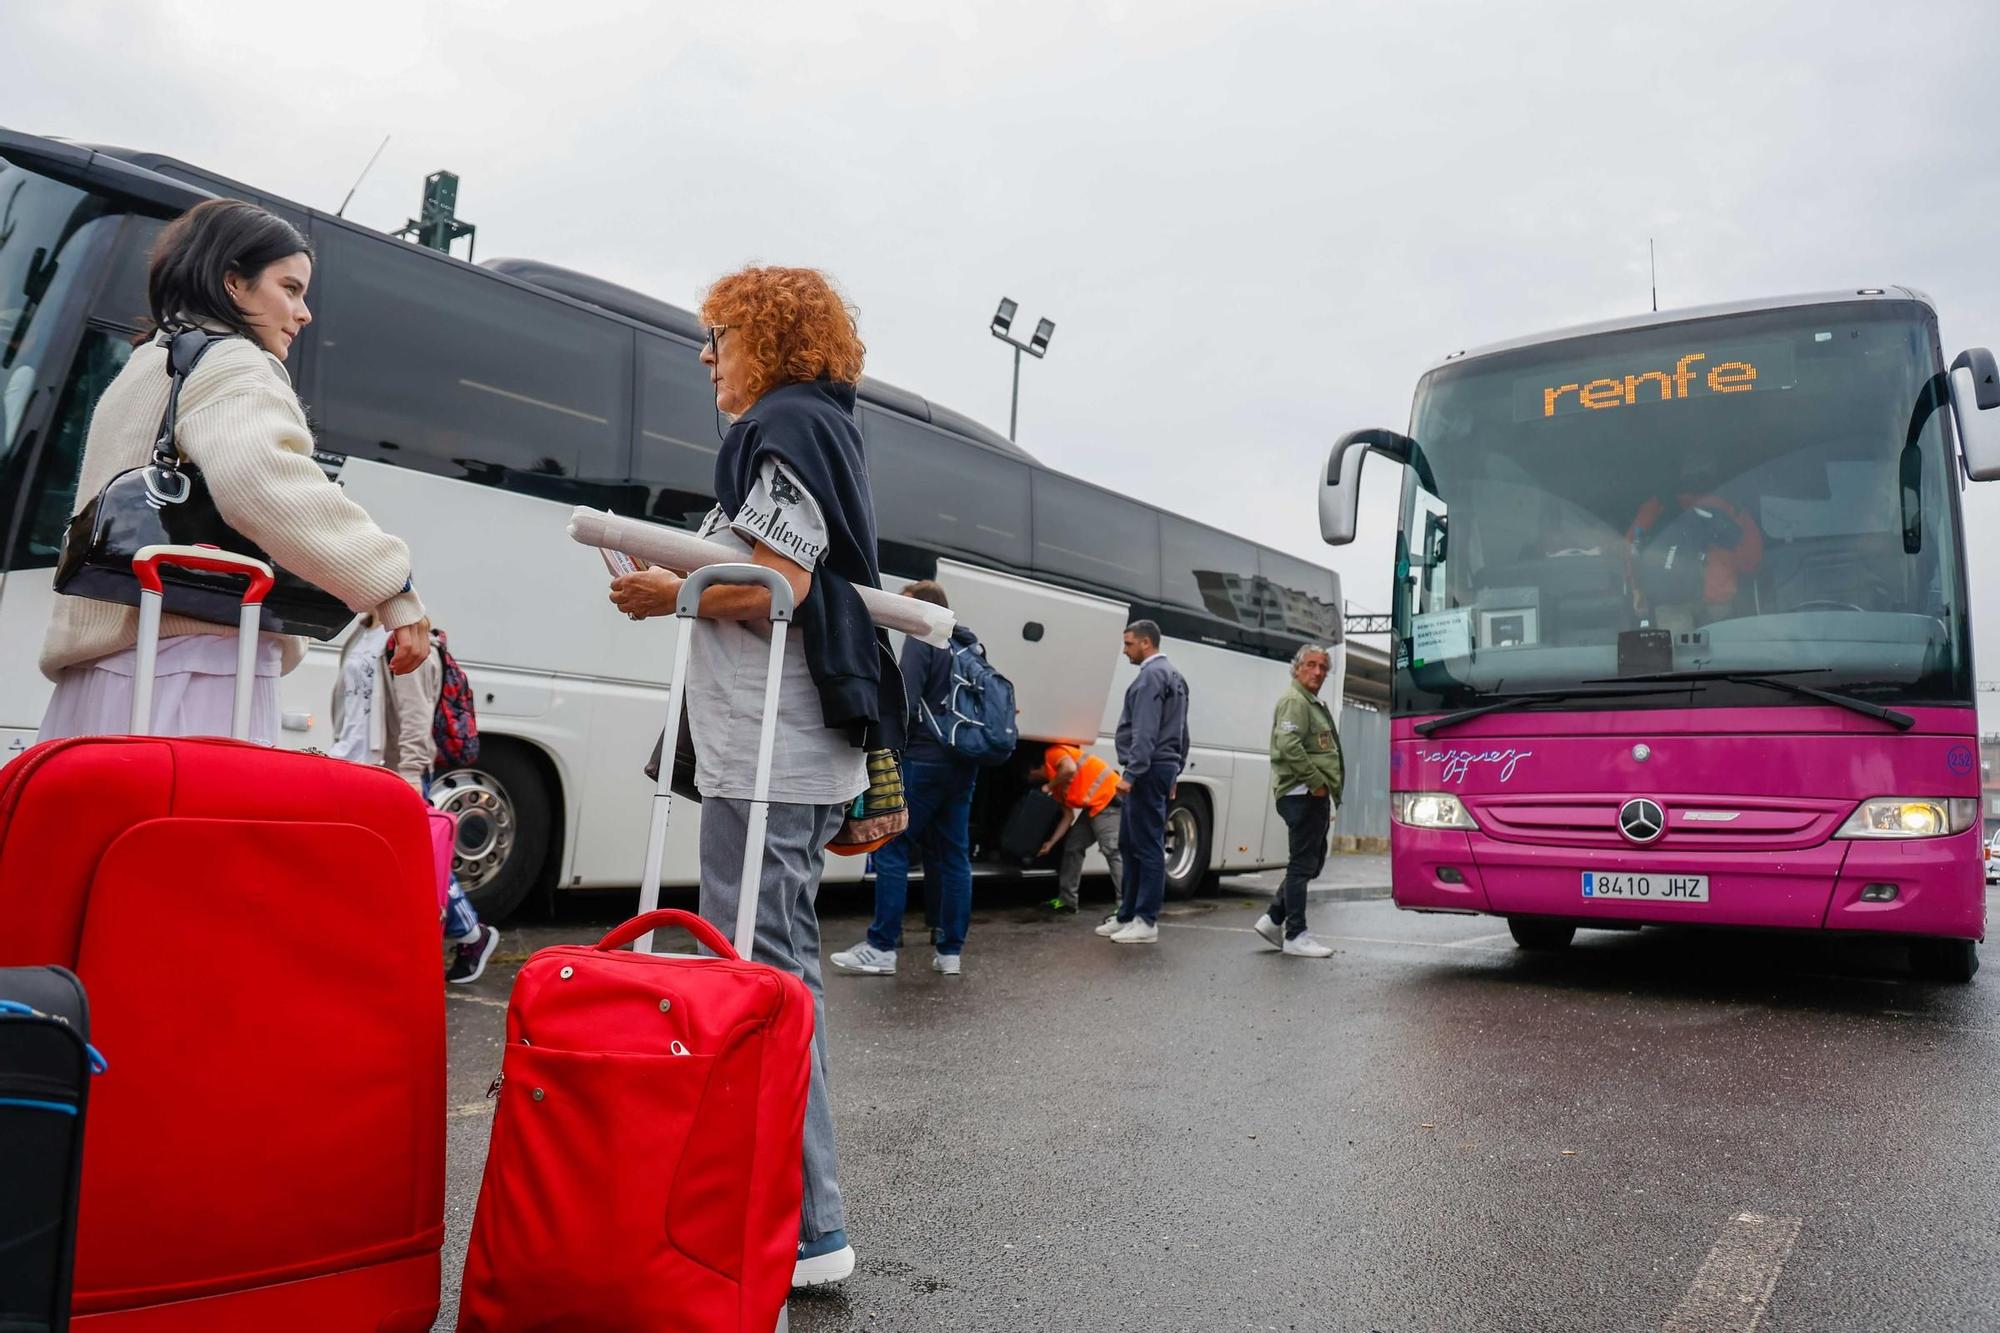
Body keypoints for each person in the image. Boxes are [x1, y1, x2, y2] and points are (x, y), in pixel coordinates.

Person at [607, 266, 902, 1290]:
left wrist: (671, 589)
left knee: (763, 977)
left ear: (766, 338)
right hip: (780, 743)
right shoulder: (813, 422)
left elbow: (779, 580)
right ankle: (776, 1210)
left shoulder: (782, 422)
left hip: (772, 744)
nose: (704, 353)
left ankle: (809, 1228)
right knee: (764, 969)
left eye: (718, 332)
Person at [38, 198, 430, 743]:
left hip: (103, 673)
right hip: (191, 669)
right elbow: (264, 485)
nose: (304, 313)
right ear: (233, 284)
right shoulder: (231, 361)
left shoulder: (149, 363)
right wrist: (391, 587)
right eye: (289, 288)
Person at [329, 616, 500, 983]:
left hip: (392, 772)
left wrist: (408, 780)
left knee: (420, 862)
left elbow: (415, 718)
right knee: (374, 863)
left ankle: (472, 934)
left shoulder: (407, 637)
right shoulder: (360, 631)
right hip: (351, 765)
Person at [831, 581, 979, 977]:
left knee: (891, 848)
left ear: (922, 608)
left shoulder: (922, 638)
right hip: (963, 763)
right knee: (953, 856)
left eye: (904, 604)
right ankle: (950, 953)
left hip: (924, 760)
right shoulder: (968, 645)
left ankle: (882, 946)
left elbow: (906, 701)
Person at [1096, 620, 1190, 944]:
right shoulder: (1175, 676)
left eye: (1129, 644)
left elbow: (1145, 731)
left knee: (1146, 846)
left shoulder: (1151, 677)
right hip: (1161, 767)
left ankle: (1145, 920)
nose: (1125, 651)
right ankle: (1127, 915)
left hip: (1147, 770)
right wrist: (1175, 771)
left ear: (1146, 643)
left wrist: (1132, 774)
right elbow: (1182, 731)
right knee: (1130, 842)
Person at [1258, 644, 1343, 959]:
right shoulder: (1295, 701)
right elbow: (1289, 745)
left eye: (1323, 667)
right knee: (1301, 865)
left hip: (1310, 796)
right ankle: (1295, 934)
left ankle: (1272, 919)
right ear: (1297, 668)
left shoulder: (1309, 701)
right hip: (1303, 794)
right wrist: (1317, 783)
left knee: (1310, 862)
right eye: (1311, 665)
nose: (1318, 672)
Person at [1626, 455, 1762, 626]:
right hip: (1718, 602)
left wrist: (1637, 590)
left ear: (1681, 475)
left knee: (1675, 651)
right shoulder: (1730, 505)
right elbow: (1751, 560)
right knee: (1724, 651)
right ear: (1715, 474)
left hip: (1669, 601)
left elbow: (1630, 548)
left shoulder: (1657, 504)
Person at [1036, 743, 1122, 914]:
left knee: (1112, 852)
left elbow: (1069, 768)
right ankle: (1067, 901)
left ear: (1036, 768)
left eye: (1032, 776)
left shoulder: (1053, 753)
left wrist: (1050, 785)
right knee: (1073, 847)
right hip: (1093, 808)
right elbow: (1068, 817)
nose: (1035, 780)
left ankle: (1126, 908)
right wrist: (1051, 843)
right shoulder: (1058, 785)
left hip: (1109, 799)